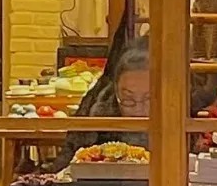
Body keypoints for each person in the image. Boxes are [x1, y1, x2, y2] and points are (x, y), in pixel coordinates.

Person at [45, 38, 150, 172]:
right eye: (128, 99)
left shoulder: (173, 121)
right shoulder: (97, 116)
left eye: (149, 99)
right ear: (115, 92)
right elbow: (66, 165)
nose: (138, 110)